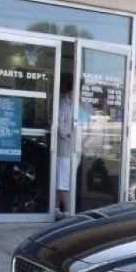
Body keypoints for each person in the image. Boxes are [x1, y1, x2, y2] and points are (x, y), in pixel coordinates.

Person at [56, 85, 74, 218]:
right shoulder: (63, 104)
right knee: (63, 181)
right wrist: (69, 134)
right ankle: (68, 213)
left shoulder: (73, 104)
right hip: (64, 149)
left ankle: (56, 209)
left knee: (61, 179)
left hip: (70, 149)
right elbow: (58, 124)